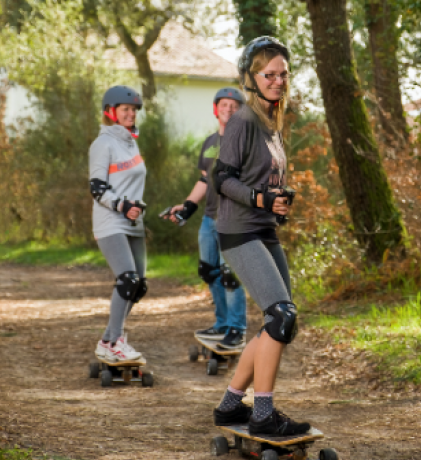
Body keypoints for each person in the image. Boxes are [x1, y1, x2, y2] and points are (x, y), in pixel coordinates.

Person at [209, 36, 310, 436]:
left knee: (280, 320)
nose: (278, 81)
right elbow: (222, 178)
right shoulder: (244, 120)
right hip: (238, 231)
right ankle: (263, 414)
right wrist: (259, 198)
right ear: (252, 77)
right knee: (281, 318)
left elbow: (263, 182)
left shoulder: (272, 123)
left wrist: (278, 200)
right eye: (269, 74)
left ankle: (231, 405)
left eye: (283, 74)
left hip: (263, 229)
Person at [161, 88, 249, 349]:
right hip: (210, 219)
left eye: (234, 105)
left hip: (234, 220)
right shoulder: (210, 143)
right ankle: (222, 323)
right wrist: (187, 206)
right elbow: (204, 179)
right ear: (216, 109)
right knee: (209, 271)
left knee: (230, 274)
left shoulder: (246, 144)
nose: (229, 109)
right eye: (224, 104)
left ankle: (237, 327)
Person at [89, 85, 150, 363]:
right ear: (110, 112)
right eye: (125, 109)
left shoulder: (131, 142)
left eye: (134, 110)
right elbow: (97, 188)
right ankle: (116, 341)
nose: (131, 114)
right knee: (127, 280)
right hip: (110, 219)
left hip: (133, 221)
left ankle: (107, 340)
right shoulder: (102, 144)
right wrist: (123, 205)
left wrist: (135, 207)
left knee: (138, 286)